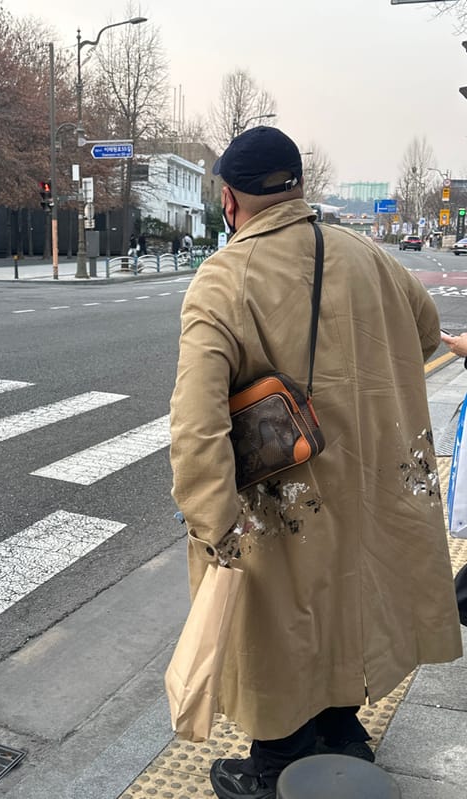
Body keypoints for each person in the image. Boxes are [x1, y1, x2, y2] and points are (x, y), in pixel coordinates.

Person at [169, 126, 462, 799]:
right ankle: (342, 731)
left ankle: (277, 767)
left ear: (229, 199)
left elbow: (196, 426)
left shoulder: (222, 280)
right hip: (372, 480)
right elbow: (424, 333)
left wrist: (217, 532)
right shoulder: (372, 256)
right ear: (297, 185)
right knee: (348, 601)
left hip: (283, 496)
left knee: (281, 622)